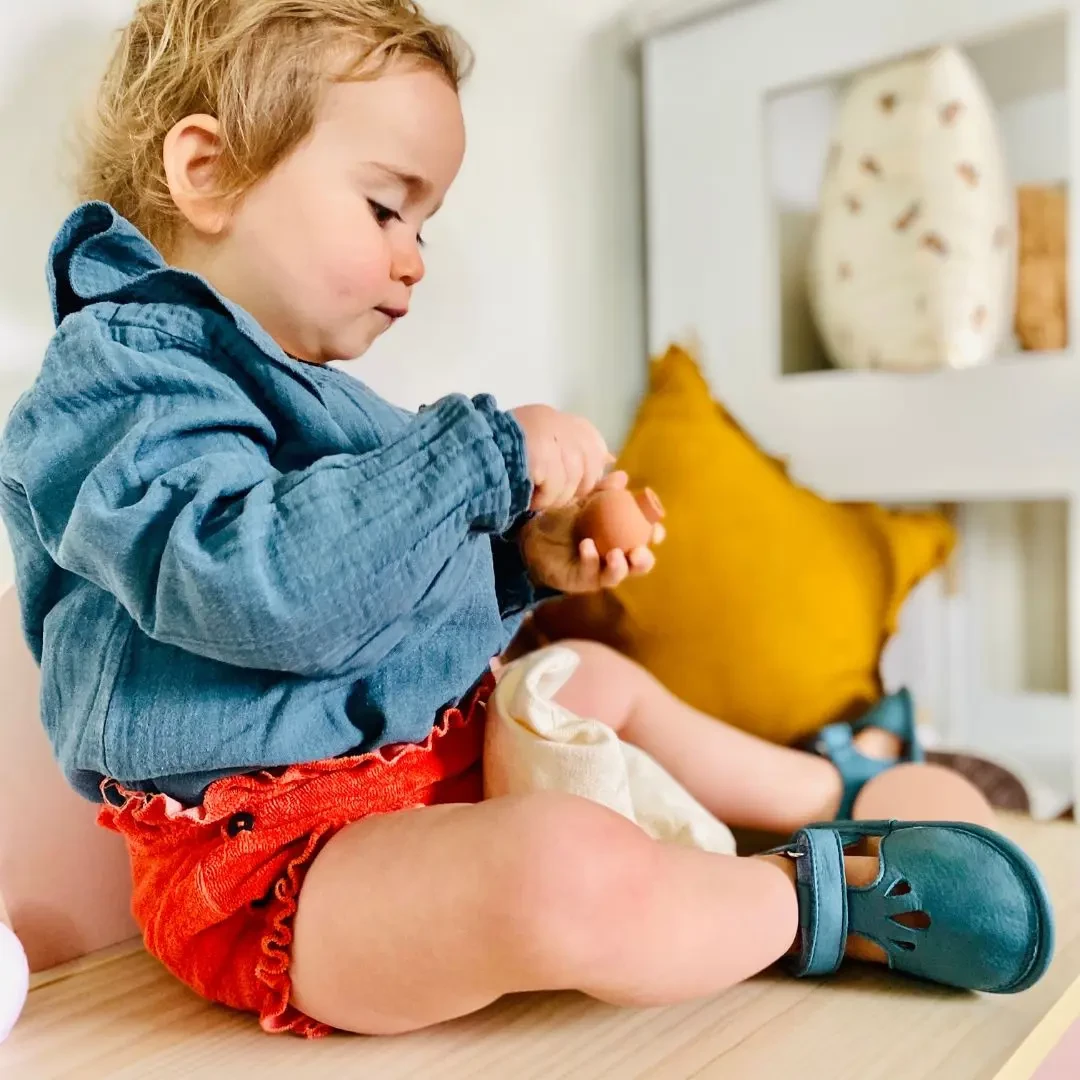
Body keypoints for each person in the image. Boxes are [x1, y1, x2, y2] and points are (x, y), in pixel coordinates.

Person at [0, 0, 1054, 1040]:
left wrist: (521, 562)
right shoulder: (120, 382)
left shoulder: (316, 393)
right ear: (209, 172)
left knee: (582, 680)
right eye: (384, 208)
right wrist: (483, 454)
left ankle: (832, 781)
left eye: (426, 224)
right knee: (555, 878)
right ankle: (816, 903)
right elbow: (255, 590)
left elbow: (384, 602)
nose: (415, 257)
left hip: (427, 768)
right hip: (278, 867)